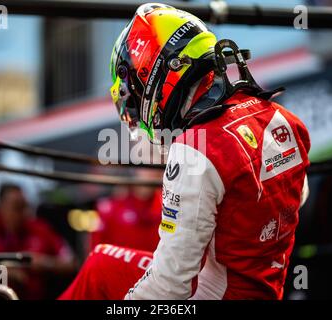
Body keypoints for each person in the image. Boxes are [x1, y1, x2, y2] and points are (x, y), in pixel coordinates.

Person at [59, 3, 310, 300]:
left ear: (154, 75)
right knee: (103, 263)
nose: (136, 107)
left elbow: (170, 287)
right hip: (264, 287)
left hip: (217, 294)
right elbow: (298, 196)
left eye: (135, 93)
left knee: (101, 264)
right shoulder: (283, 118)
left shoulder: (195, 150)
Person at [0, 183, 77, 299]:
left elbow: (71, 263)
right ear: (1, 207)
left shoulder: (40, 229)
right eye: (17, 207)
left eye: (25, 206)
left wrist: (44, 262)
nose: (24, 213)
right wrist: (10, 272)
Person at [90, 168, 162, 252]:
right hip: (118, 263)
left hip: (154, 262)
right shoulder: (108, 208)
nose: (152, 173)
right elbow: (97, 250)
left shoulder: (165, 207)